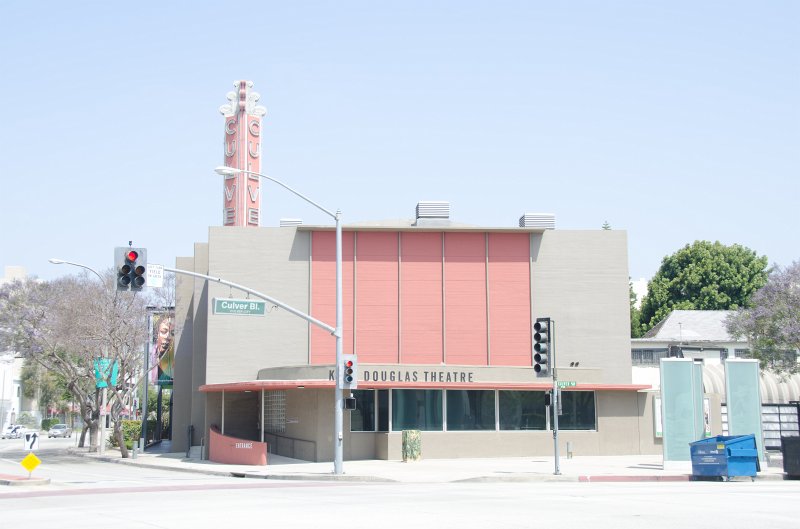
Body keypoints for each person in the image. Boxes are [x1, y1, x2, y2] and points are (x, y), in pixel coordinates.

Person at [149, 313, 175, 384]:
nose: (168, 337)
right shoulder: (152, 356)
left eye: (173, 333)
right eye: (164, 332)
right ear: (157, 334)